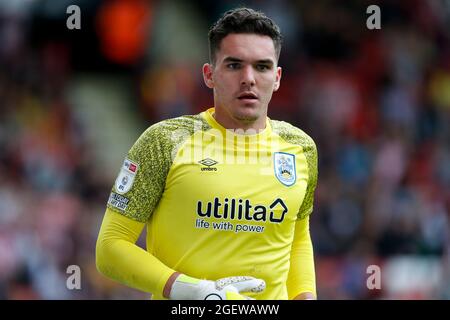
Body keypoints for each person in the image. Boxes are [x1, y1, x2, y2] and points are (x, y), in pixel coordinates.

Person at [96, 7, 318, 300]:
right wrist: (195, 291)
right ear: (209, 74)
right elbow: (110, 248)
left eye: (262, 67)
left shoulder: (300, 148)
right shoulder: (165, 142)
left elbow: (297, 239)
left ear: (276, 78)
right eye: (234, 65)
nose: (248, 78)